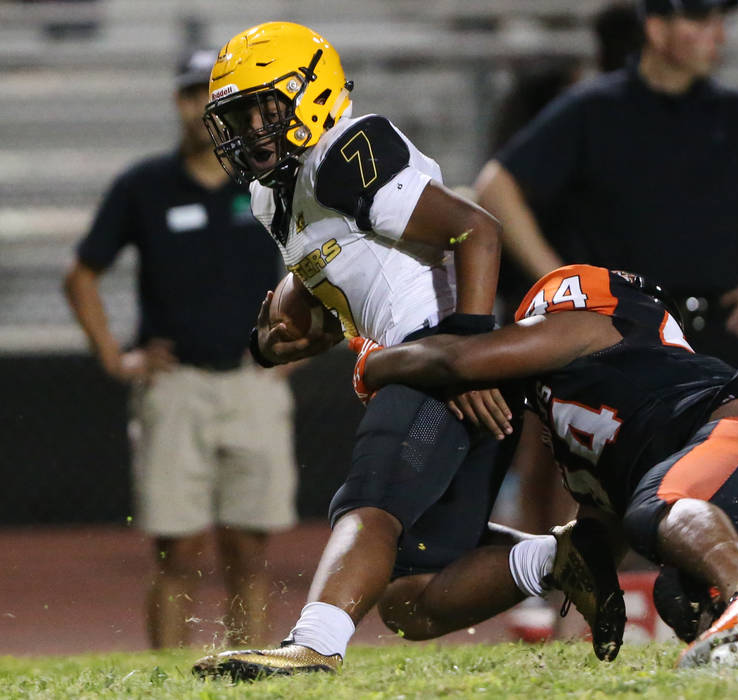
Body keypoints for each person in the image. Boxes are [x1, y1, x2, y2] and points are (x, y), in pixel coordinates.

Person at [189, 22, 620, 681]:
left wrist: (470, 351)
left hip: (445, 354)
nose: (249, 128)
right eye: (237, 115)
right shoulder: (273, 195)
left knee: (369, 506)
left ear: (312, 94)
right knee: (410, 598)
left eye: (262, 107)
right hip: (441, 358)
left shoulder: (346, 149)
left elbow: (477, 230)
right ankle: (566, 558)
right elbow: (344, 297)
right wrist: (283, 334)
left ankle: (314, 644)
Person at [352, 264, 738, 666]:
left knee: (653, 508)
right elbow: (587, 550)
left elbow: (458, 359)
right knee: (681, 597)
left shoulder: (589, 324)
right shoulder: (590, 431)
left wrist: (372, 361)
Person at [62, 48, 297, 648]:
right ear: (179, 102)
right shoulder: (145, 186)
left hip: (252, 382)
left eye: (215, 96)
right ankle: (169, 683)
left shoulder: (270, 178)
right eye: (195, 95)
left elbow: (323, 263)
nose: (203, 108)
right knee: (178, 554)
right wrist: (116, 357)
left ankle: (253, 679)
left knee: (250, 550)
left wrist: (300, 345)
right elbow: (81, 273)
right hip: (176, 387)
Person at [475, 0, 738, 368]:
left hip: (722, 335)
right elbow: (497, 186)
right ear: (657, 28)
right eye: (701, 20)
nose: (718, 34)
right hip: (625, 338)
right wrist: (565, 289)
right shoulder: (594, 109)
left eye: (721, 21)